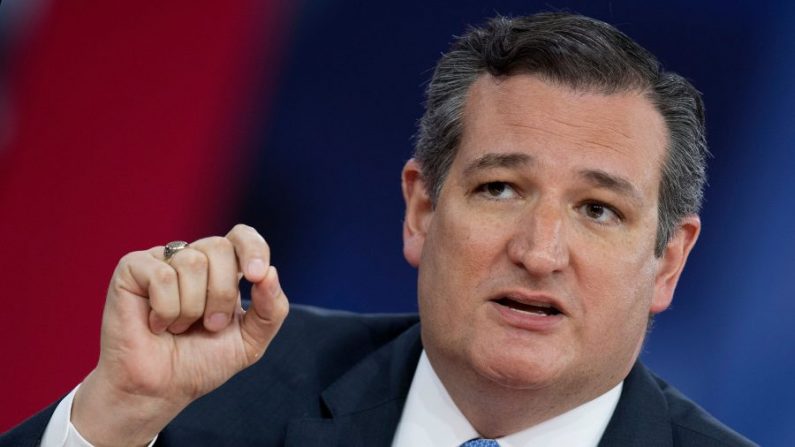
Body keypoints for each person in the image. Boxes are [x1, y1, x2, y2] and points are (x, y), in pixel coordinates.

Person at [1, 12, 756, 447]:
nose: (537, 252)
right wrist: (119, 415)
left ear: (666, 262)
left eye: (598, 209)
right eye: (498, 187)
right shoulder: (221, 387)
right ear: (421, 210)